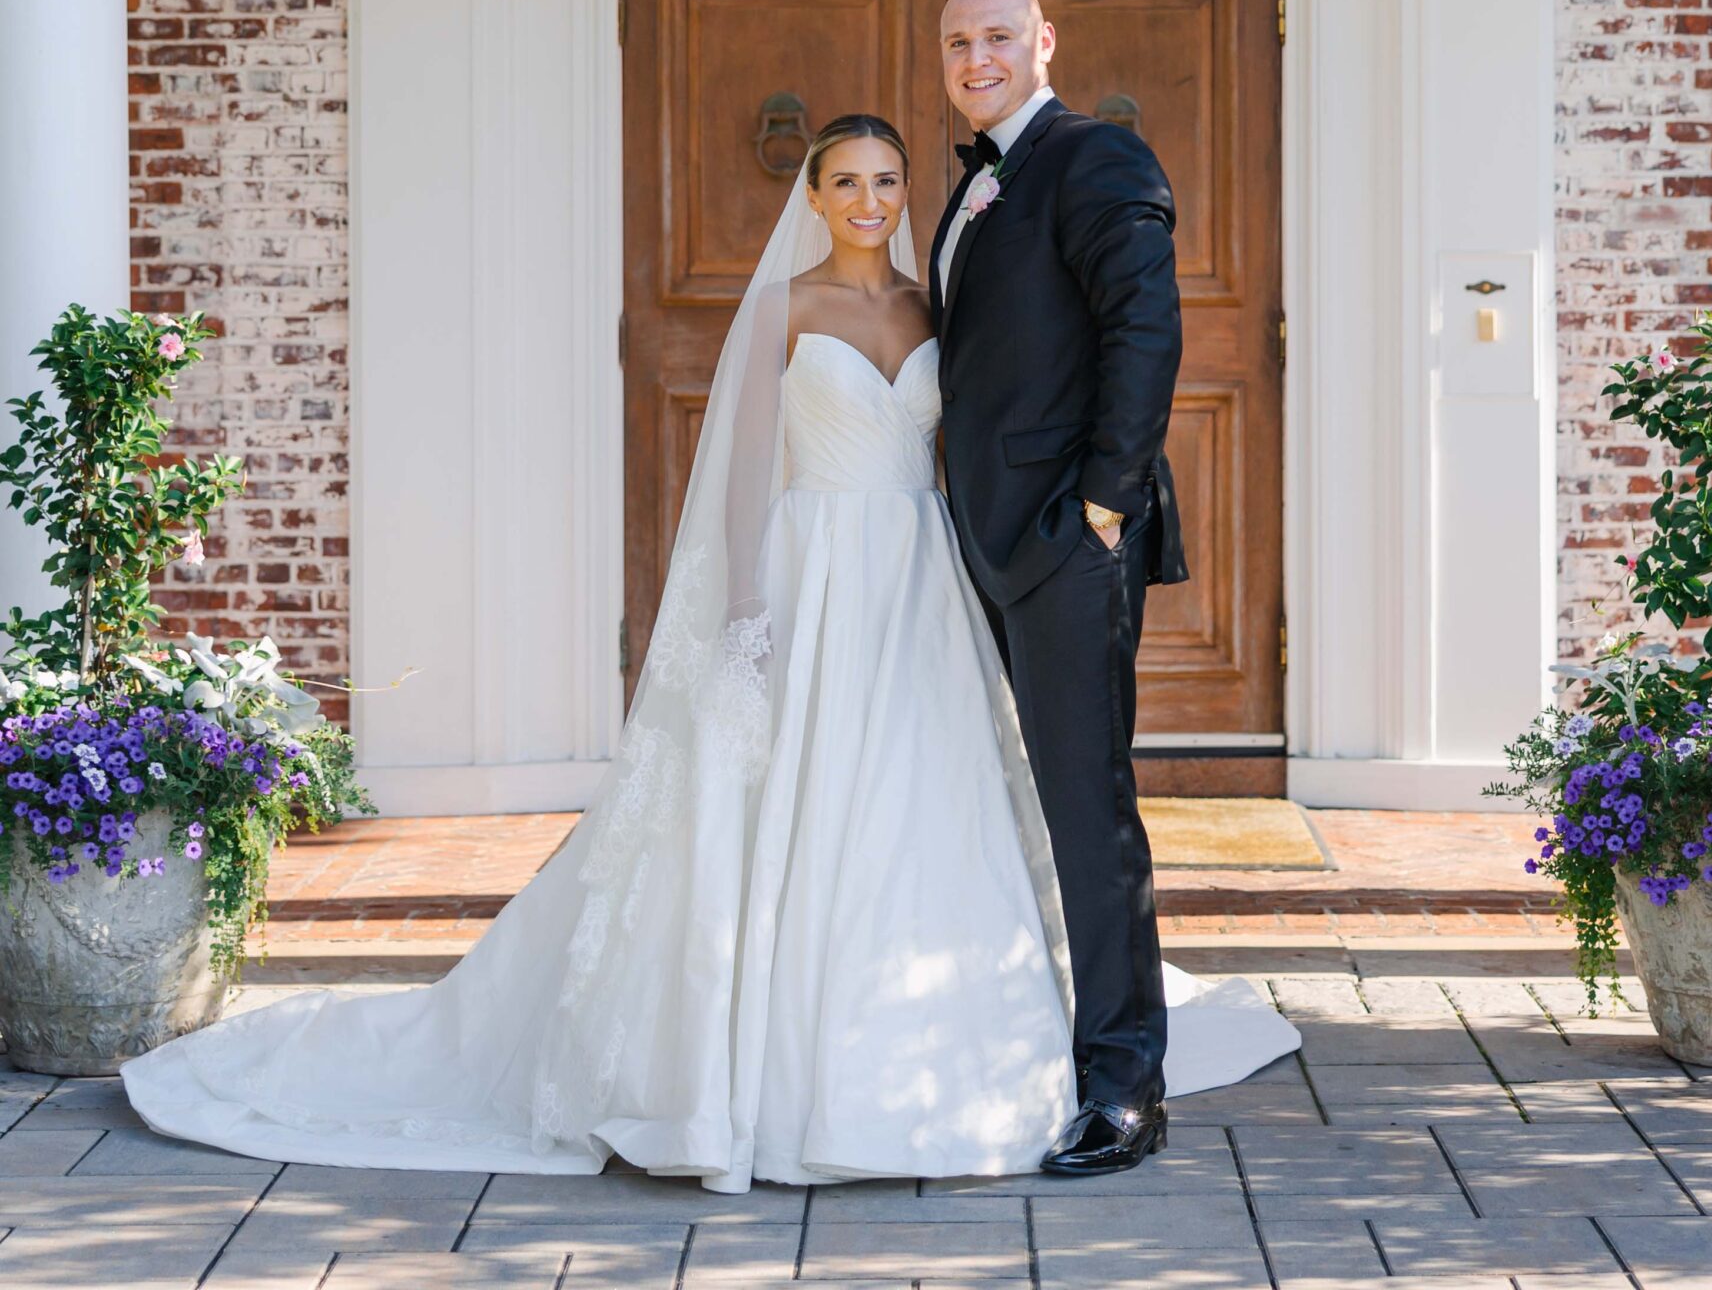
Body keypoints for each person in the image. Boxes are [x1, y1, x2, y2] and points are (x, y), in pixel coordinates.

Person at [122, 113, 1294, 1186]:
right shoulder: (784, 309)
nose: (872, 198)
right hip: (809, 565)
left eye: (888, 178)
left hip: (918, 577)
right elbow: (739, 474)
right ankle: (767, 1063)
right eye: (848, 181)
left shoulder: (937, 305)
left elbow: (1015, 399)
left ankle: (949, 1040)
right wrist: (746, 600)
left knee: (924, 792)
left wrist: (1086, 508)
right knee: (796, 796)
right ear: (817, 194)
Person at [932, 0, 1185, 1175]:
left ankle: (1125, 1084)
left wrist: (1103, 504)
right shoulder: (978, 177)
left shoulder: (1096, 157)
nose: (976, 57)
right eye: (957, 42)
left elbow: (1146, 331)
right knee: (1013, 806)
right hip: (980, 536)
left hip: (1065, 540)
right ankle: (1039, 1030)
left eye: (997, 37)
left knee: (1089, 810)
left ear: (1043, 44)